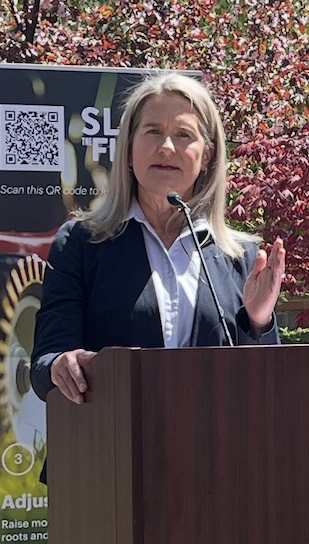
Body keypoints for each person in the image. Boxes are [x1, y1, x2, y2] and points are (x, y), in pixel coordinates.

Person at [32, 73, 282, 406]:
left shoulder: (242, 256)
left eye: (183, 134)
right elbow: (45, 362)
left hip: (212, 451)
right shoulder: (81, 243)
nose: (166, 147)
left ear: (206, 155)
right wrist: (60, 365)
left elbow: (269, 383)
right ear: (129, 151)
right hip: (109, 448)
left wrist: (259, 321)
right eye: (153, 132)